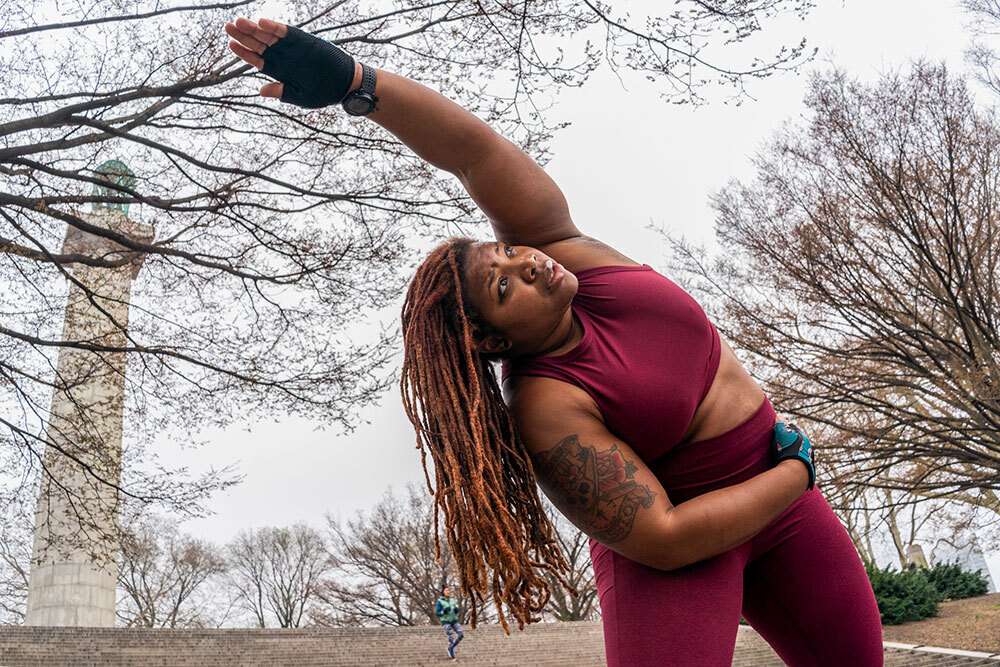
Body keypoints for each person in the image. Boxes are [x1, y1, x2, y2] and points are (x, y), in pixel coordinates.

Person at [225, 18, 885, 666]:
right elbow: (664, 538)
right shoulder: (545, 406)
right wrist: (796, 471)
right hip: (686, 550)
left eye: (507, 251)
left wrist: (357, 83)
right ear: (490, 337)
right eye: (505, 287)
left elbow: (473, 152)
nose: (528, 264)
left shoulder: (566, 249)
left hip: (785, 505)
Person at [436, 587, 464, 661]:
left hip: (454, 620)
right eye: (446, 590)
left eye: (448, 590)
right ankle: (452, 655)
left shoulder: (452, 600)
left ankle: (450, 648)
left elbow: (454, 608)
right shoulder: (440, 601)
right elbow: (437, 613)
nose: (448, 591)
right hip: (446, 621)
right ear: (443, 592)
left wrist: (456, 610)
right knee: (451, 637)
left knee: (461, 635)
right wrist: (443, 611)